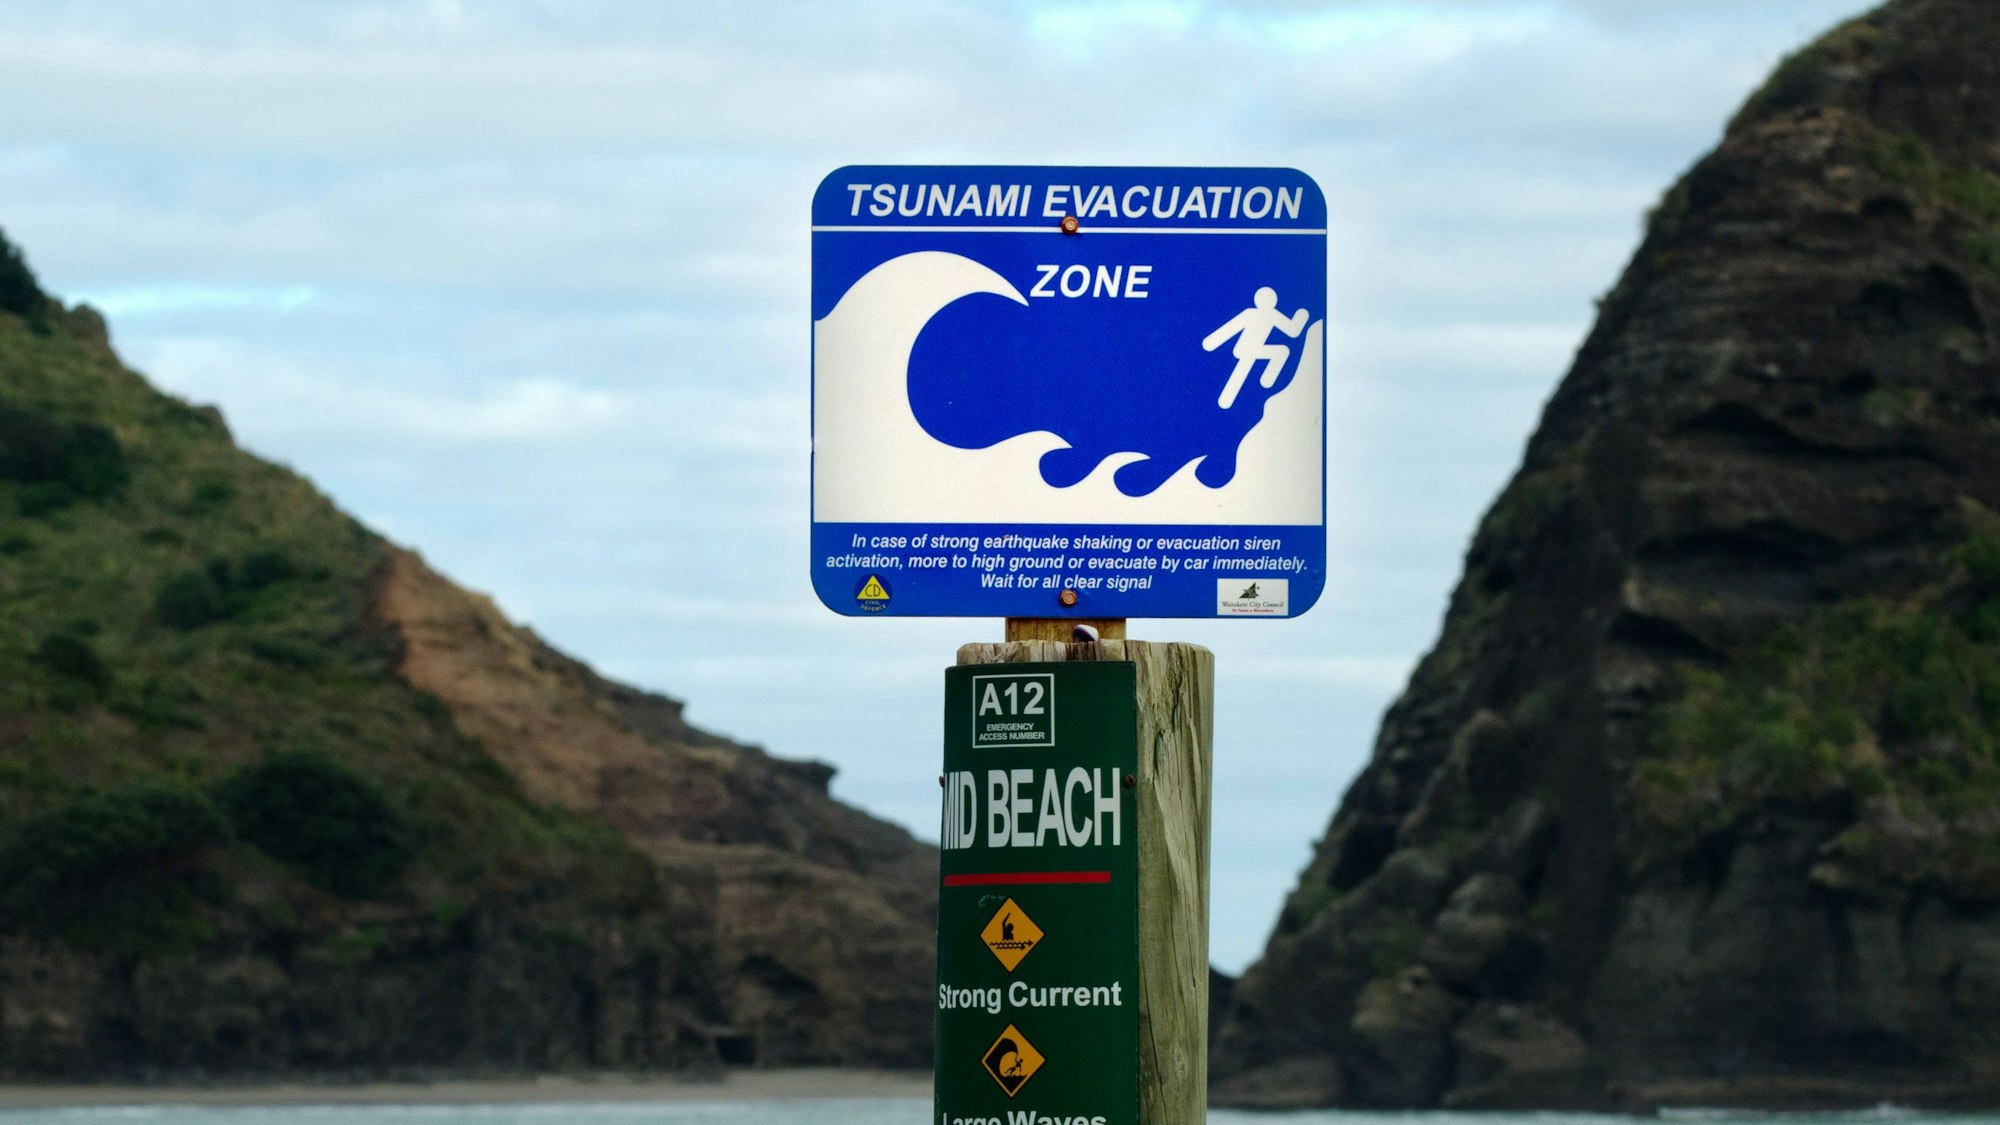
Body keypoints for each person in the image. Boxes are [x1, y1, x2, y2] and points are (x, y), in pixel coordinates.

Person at [1202, 286, 1308, 409]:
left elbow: (1292, 331)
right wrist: (1211, 342)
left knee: (1280, 352)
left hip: (1255, 349)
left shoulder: (1272, 315)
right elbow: (1231, 328)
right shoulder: (1251, 313)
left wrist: (1301, 317)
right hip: (1246, 349)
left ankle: (1267, 380)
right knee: (1245, 369)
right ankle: (1265, 381)